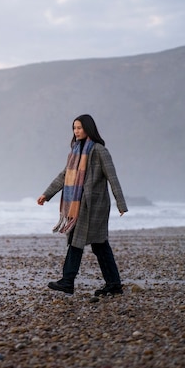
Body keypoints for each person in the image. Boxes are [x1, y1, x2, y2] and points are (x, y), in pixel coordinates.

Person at [37, 114, 128, 296]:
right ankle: (113, 284)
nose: (76, 131)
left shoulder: (99, 150)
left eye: (79, 127)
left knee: (86, 243)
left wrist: (121, 203)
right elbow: (64, 175)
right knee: (95, 244)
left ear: (88, 128)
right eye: (74, 128)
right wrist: (47, 194)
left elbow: (112, 177)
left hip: (95, 205)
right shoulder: (75, 151)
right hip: (78, 205)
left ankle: (68, 281)